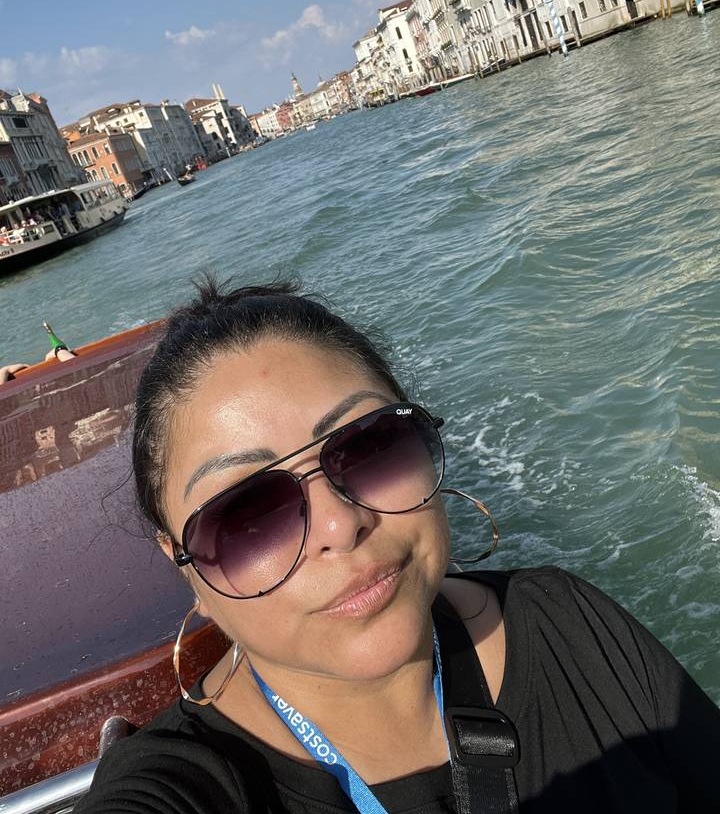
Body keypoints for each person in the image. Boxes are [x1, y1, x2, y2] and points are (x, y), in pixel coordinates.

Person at [75, 280, 720, 813]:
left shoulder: (566, 624)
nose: (340, 525)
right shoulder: (183, 789)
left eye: (369, 447)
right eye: (246, 512)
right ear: (185, 568)